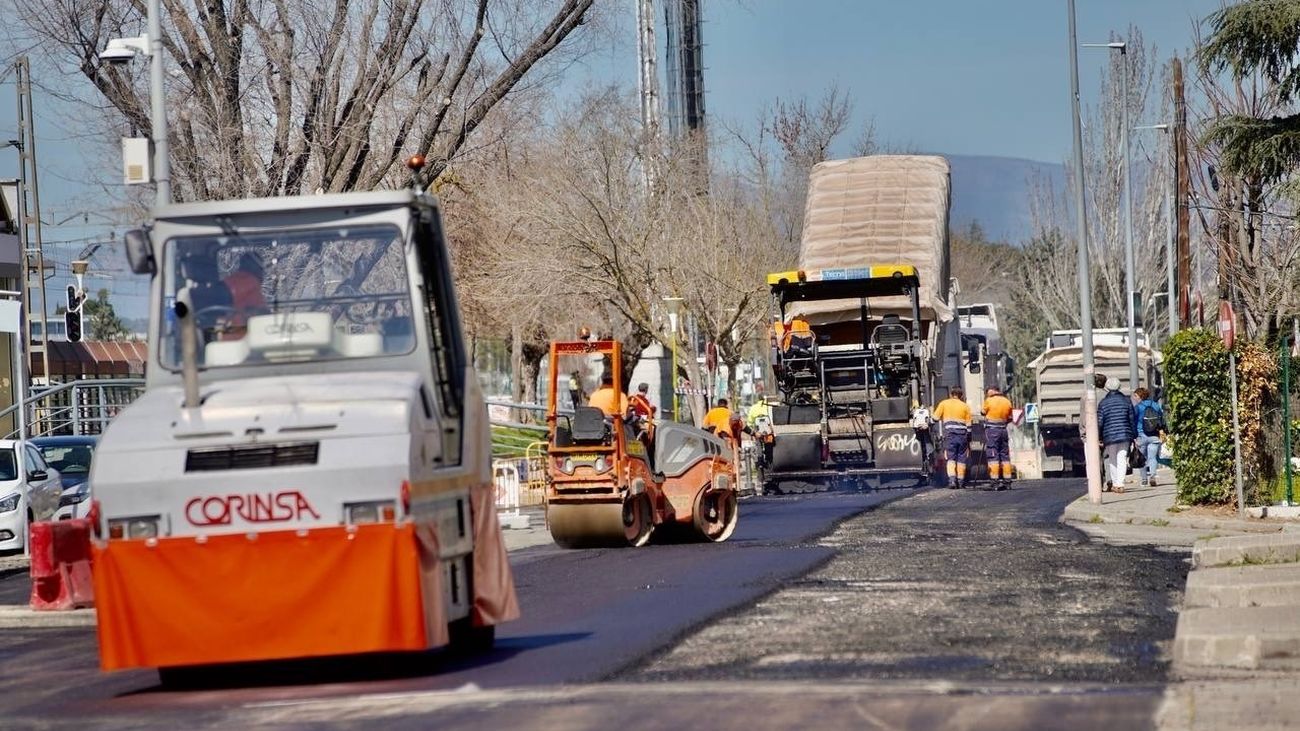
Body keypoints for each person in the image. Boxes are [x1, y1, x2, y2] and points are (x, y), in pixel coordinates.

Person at [1097, 376, 1137, 493]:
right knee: (1122, 458)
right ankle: (1120, 483)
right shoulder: (1127, 401)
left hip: (1109, 436)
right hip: (1125, 434)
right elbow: (1131, 419)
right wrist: (1134, 435)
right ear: (1119, 387)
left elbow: (1100, 422)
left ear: (1107, 388)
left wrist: (1099, 437)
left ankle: (1115, 483)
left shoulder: (1103, 403)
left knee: (1112, 459)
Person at [932, 388, 972, 489]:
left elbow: (935, 418)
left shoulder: (944, 403)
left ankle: (952, 481)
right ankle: (961, 481)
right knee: (961, 459)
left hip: (950, 435)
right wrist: (969, 438)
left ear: (950, 394)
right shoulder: (965, 406)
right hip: (962, 435)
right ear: (961, 396)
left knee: (951, 458)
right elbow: (969, 425)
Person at [981, 386, 1014, 490]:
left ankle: (994, 481)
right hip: (1003, 431)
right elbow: (1010, 418)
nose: (987, 394)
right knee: (1004, 455)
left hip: (992, 431)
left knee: (993, 455)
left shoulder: (989, 401)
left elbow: (983, 412)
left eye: (988, 393)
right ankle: (1007, 482)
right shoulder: (1007, 401)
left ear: (993, 391)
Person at [224, 251, 268, 328]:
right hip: (245, 331)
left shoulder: (227, 281)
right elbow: (262, 313)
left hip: (226, 331)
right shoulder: (252, 283)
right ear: (257, 268)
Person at [1133, 387, 1166, 487]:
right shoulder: (1155, 405)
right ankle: (1152, 476)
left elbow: (1133, 420)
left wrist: (1134, 436)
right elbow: (1161, 417)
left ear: (1140, 396)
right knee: (1152, 458)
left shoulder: (1138, 407)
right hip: (1154, 435)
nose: (1134, 398)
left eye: (1135, 396)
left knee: (1141, 458)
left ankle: (1143, 479)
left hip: (1141, 435)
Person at [1078, 373, 1108, 441]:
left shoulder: (1086, 396)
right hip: (1107, 434)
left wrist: (1084, 436)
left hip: (1090, 434)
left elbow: (1083, 418)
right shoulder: (1108, 395)